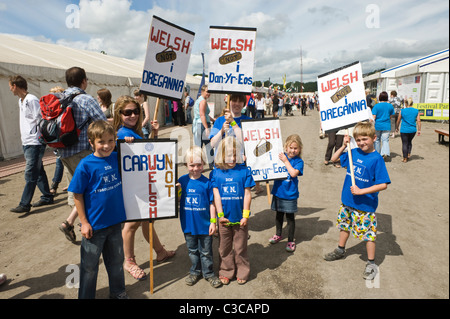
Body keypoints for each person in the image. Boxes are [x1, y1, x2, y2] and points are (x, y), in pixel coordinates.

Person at [114, 95, 175, 280]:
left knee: (148, 219)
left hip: (143, 182)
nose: (132, 115)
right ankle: (129, 261)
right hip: (133, 185)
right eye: (127, 112)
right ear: (119, 114)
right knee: (132, 223)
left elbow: (150, 152)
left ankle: (160, 251)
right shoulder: (123, 134)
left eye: (136, 111)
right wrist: (124, 145)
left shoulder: (133, 131)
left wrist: (154, 134)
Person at [323, 121, 391, 281]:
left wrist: (362, 191)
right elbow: (333, 159)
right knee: (344, 227)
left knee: (369, 235)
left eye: (364, 139)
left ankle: (371, 263)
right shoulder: (354, 152)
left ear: (374, 138)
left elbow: (383, 184)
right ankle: (340, 250)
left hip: (365, 206)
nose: (361, 143)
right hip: (347, 201)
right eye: (358, 140)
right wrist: (344, 146)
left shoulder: (376, 159)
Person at [68, 120, 128, 299]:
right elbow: (77, 195)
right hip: (94, 227)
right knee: (89, 267)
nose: (107, 145)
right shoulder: (86, 165)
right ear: (91, 142)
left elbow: (141, 154)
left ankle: (118, 292)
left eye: (111, 140)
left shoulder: (118, 157)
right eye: (101, 141)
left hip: (116, 223)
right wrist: (84, 222)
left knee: (117, 262)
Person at [58, 67, 107, 243]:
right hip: (83, 152)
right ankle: (83, 227)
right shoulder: (86, 99)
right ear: (84, 81)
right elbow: (102, 123)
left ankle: (70, 222)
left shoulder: (59, 98)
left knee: (77, 188)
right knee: (90, 191)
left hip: (63, 152)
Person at [210, 136, 255, 285]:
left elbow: (248, 194)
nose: (232, 158)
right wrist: (220, 216)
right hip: (224, 219)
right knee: (224, 247)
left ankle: (243, 271)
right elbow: (216, 196)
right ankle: (226, 271)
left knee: (241, 247)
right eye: (229, 155)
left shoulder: (244, 171)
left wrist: (246, 215)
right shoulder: (216, 172)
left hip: (240, 218)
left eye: (235, 154)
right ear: (221, 155)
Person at [177, 146, 222, 288]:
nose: (195, 168)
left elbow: (212, 203)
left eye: (199, 165)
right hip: (188, 225)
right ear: (186, 165)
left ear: (203, 164)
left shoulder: (207, 183)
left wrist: (213, 222)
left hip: (204, 225)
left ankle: (208, 273)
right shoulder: (182, 181)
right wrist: (177, 191)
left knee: (206, 251)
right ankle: (195, 271)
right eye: (192, 165)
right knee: (192, 250)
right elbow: (178, 200)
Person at [8, 75, 54, 213]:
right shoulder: (21, 101)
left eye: (10, 86)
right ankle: (47, 196)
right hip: (27, 141)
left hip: (34, 142)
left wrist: (39, 138)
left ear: (15, 86)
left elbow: (41, 119)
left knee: (30, 173)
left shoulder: (31, 100)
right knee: (38, 170)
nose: (10, 89)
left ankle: (25, 204)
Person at [269, 134, 304, 252]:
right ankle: (278, 234)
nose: (293, 150)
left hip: (290, 194)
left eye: (295, 148)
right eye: (290, 148)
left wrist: (285, 161)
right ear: (285, 147)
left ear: (299, 149)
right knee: (278, 216)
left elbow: (293, 173)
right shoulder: (279, 157)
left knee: (290, 218)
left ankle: (290, 240)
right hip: (278, 192)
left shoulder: (299, 161)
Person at [49, 86, 66, 195]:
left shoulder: (63, 107)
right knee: (60, 162)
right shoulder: (52, 108)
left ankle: (54, 186)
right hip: (58, 140)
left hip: (64, 139)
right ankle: (55, 185)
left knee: (61, 162)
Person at [396, 98, 421, 163]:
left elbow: (398, 120)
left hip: (404, 129)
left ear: (406, 103)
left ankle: (405, 158)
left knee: (404, 143)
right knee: (409, 141)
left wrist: (397, 127)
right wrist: (419, 130)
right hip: (413, 130)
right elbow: (418, 121)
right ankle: (409, 154)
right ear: (412, 103)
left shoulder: (402, 111)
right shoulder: (416, 111)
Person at [372, 91, 395, 161]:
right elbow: (391, 116)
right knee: (385, 140)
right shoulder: (390, 106)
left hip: (377, 125)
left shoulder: (376, 106)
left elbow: (374, 117)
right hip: (386, 125)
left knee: (377, 140)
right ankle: (385, 153)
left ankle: (377, 154)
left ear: (379, 97)